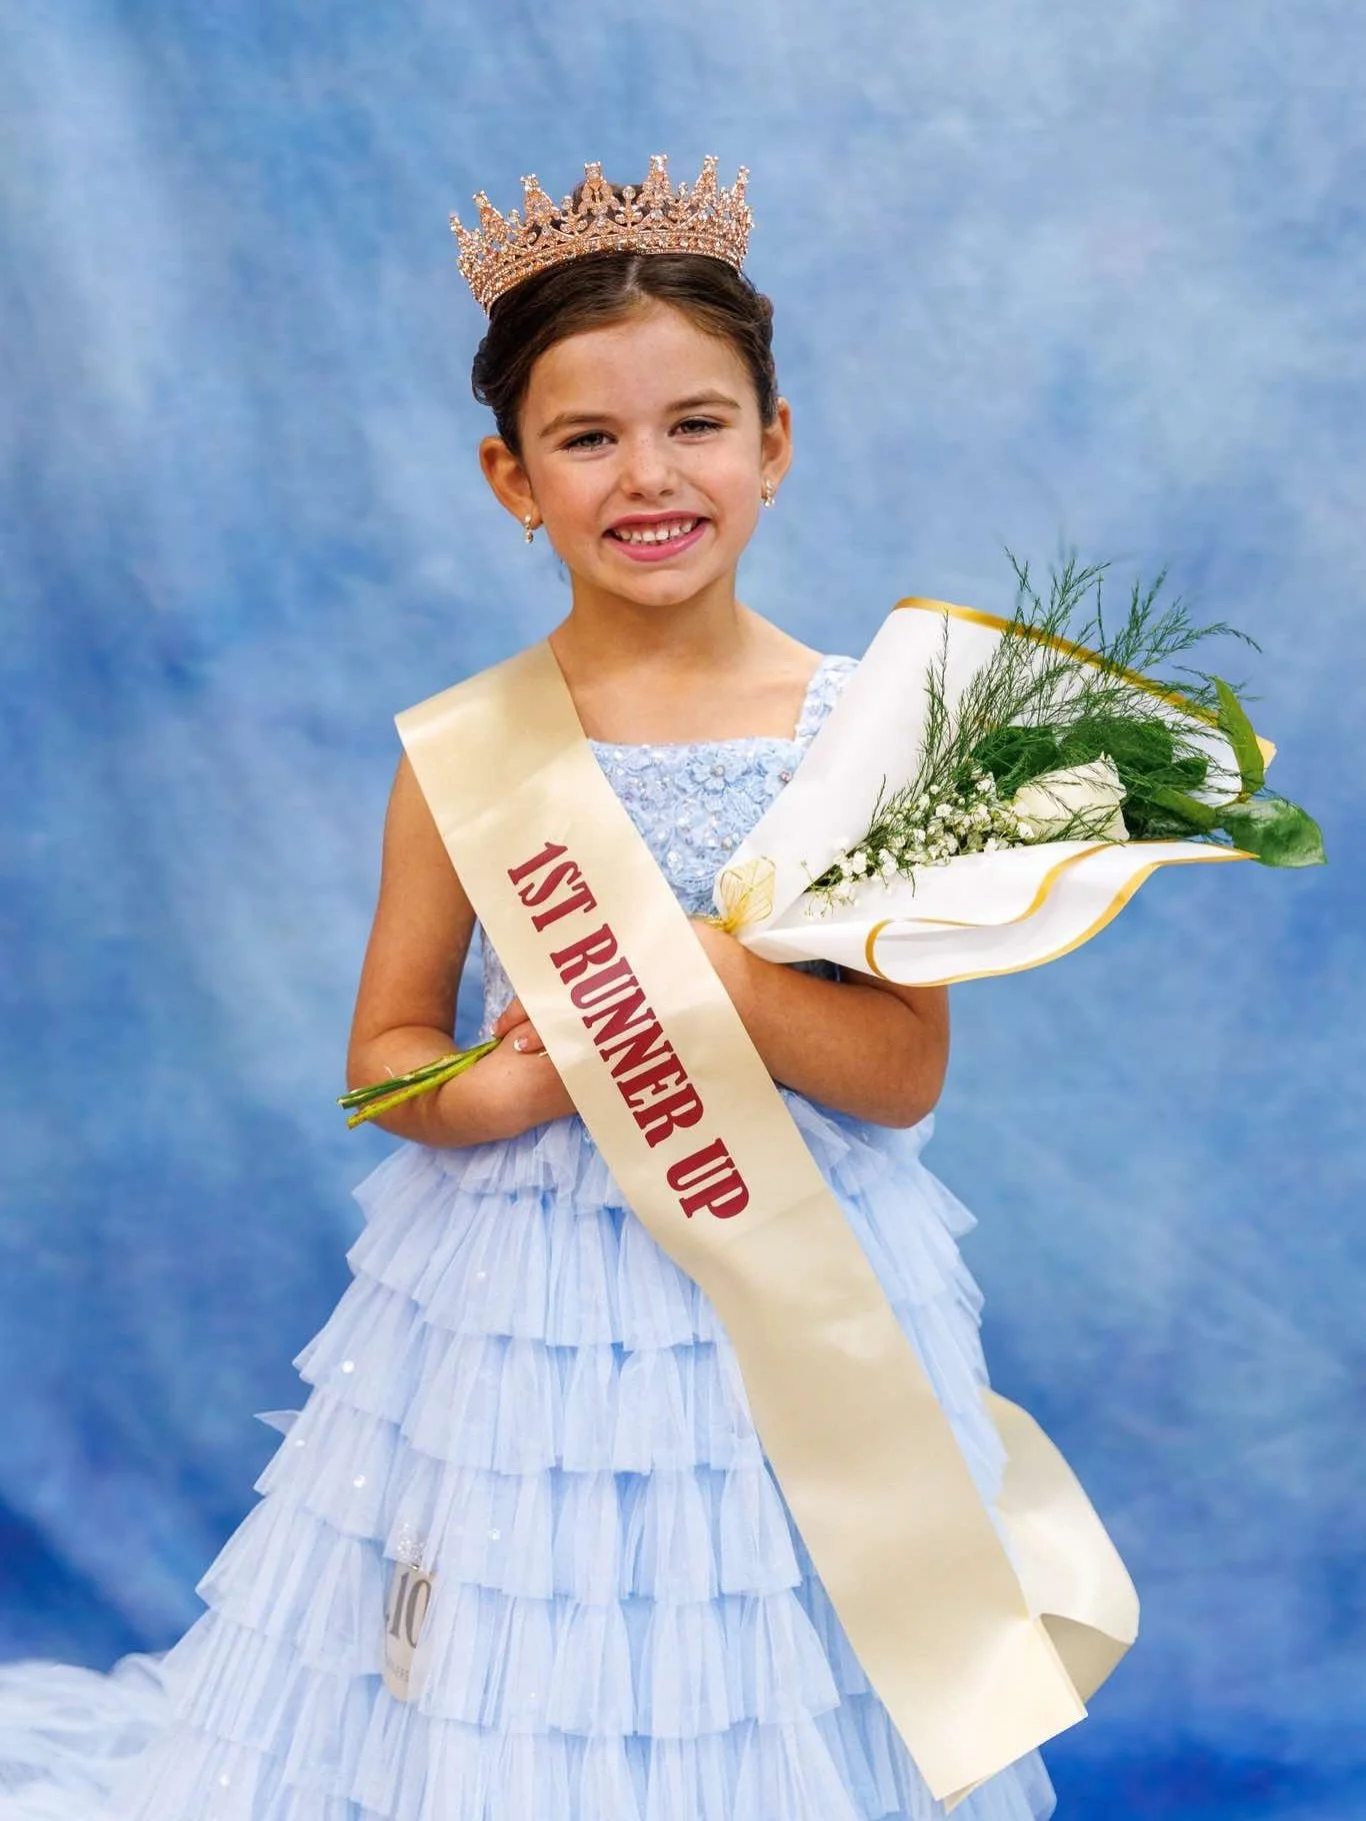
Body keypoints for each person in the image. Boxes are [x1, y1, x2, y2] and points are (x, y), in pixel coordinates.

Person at [0, 156, 1059, 1820]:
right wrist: (501, 1087)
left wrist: (694, 970)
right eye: (587, 439)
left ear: (774, 447)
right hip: (527, 1304)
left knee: (761, 1640)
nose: (649, 475)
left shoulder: (870, 737)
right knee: (529, 1640)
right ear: (512, 478)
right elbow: (384, 1063)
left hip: (798, 1284)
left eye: (697, 424)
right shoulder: (461, 755)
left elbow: (900, 1071)